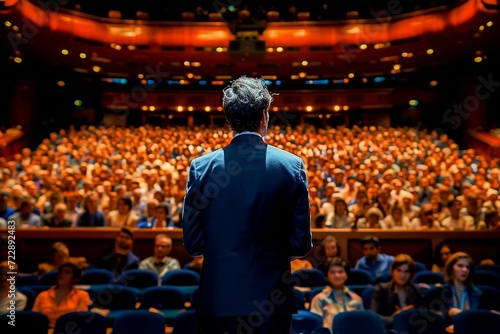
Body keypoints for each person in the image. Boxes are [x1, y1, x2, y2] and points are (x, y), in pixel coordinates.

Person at [182, 76, 312, 334]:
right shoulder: (291, 165)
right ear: (265, 115)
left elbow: (194, 244)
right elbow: (300, 244)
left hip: (219, 298)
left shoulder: (202, 167)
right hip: (272, 301)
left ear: (229, 119)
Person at [424, 252, 482, 326]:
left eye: (467, 267)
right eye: (460, 266)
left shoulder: (477, 293)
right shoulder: (437, 292)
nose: (465, 270)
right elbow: (433, 321)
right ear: (451, 268)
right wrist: (449, 314)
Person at [370, 254, 426, 329]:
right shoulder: (381, 290)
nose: (402, 275)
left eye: (406, 271)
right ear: (392, 271)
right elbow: (374, 318)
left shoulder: (417, 290)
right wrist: (397, 317)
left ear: (411, 274)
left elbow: (424, 316)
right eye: (399, 270)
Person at [310, 257, 363, 332]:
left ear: (347, 275)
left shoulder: (357, 299)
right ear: (327, 276)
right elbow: (316, 326)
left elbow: (361, 325)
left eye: (340, 272)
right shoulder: (319, 299)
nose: (337, 275)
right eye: (332, 272)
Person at [32, 262, 91, 328]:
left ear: (75, 278)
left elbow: (80, 319)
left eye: (67, 272)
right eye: (61, 271)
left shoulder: (82, 295)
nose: (62, 274)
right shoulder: (42, 295)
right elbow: (35, 318)